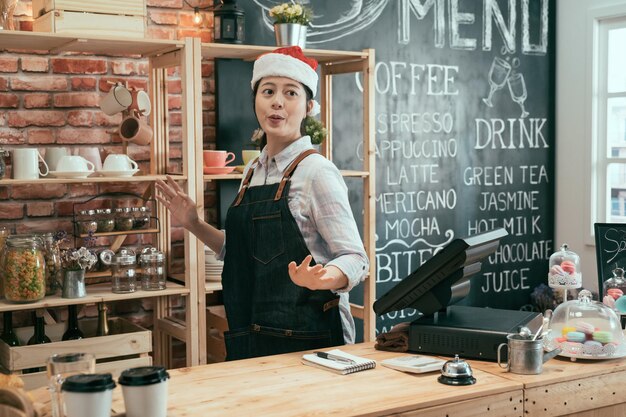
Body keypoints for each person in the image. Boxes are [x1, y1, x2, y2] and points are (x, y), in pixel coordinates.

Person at [156, 46, 369, 360]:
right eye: (267, 91)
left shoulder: (316, 172)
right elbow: (243, 250)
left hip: (309, 341)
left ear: (309, 106)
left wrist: (324, 277)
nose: (277, 101)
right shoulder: (252, 173)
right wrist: (194, 224)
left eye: (290, 93)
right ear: (256, 101)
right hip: (250, 336)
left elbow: (355, 258)